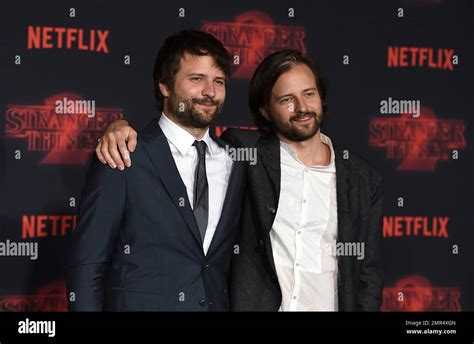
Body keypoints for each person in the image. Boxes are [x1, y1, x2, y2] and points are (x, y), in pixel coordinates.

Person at [95, 49, 384, 311]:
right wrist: (119, 127)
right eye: (287, 99)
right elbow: (179, 134)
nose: (301, 107)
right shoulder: (242, 153)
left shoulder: (362, 179)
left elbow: (368, 273)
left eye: (309, 94)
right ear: (265, 110)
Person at [68, 30, 245, 311]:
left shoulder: (236, 160)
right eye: (197, 79)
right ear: (164, 85)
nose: (210, 92)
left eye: (218, 81)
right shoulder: (124, 153)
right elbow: (89, 265)